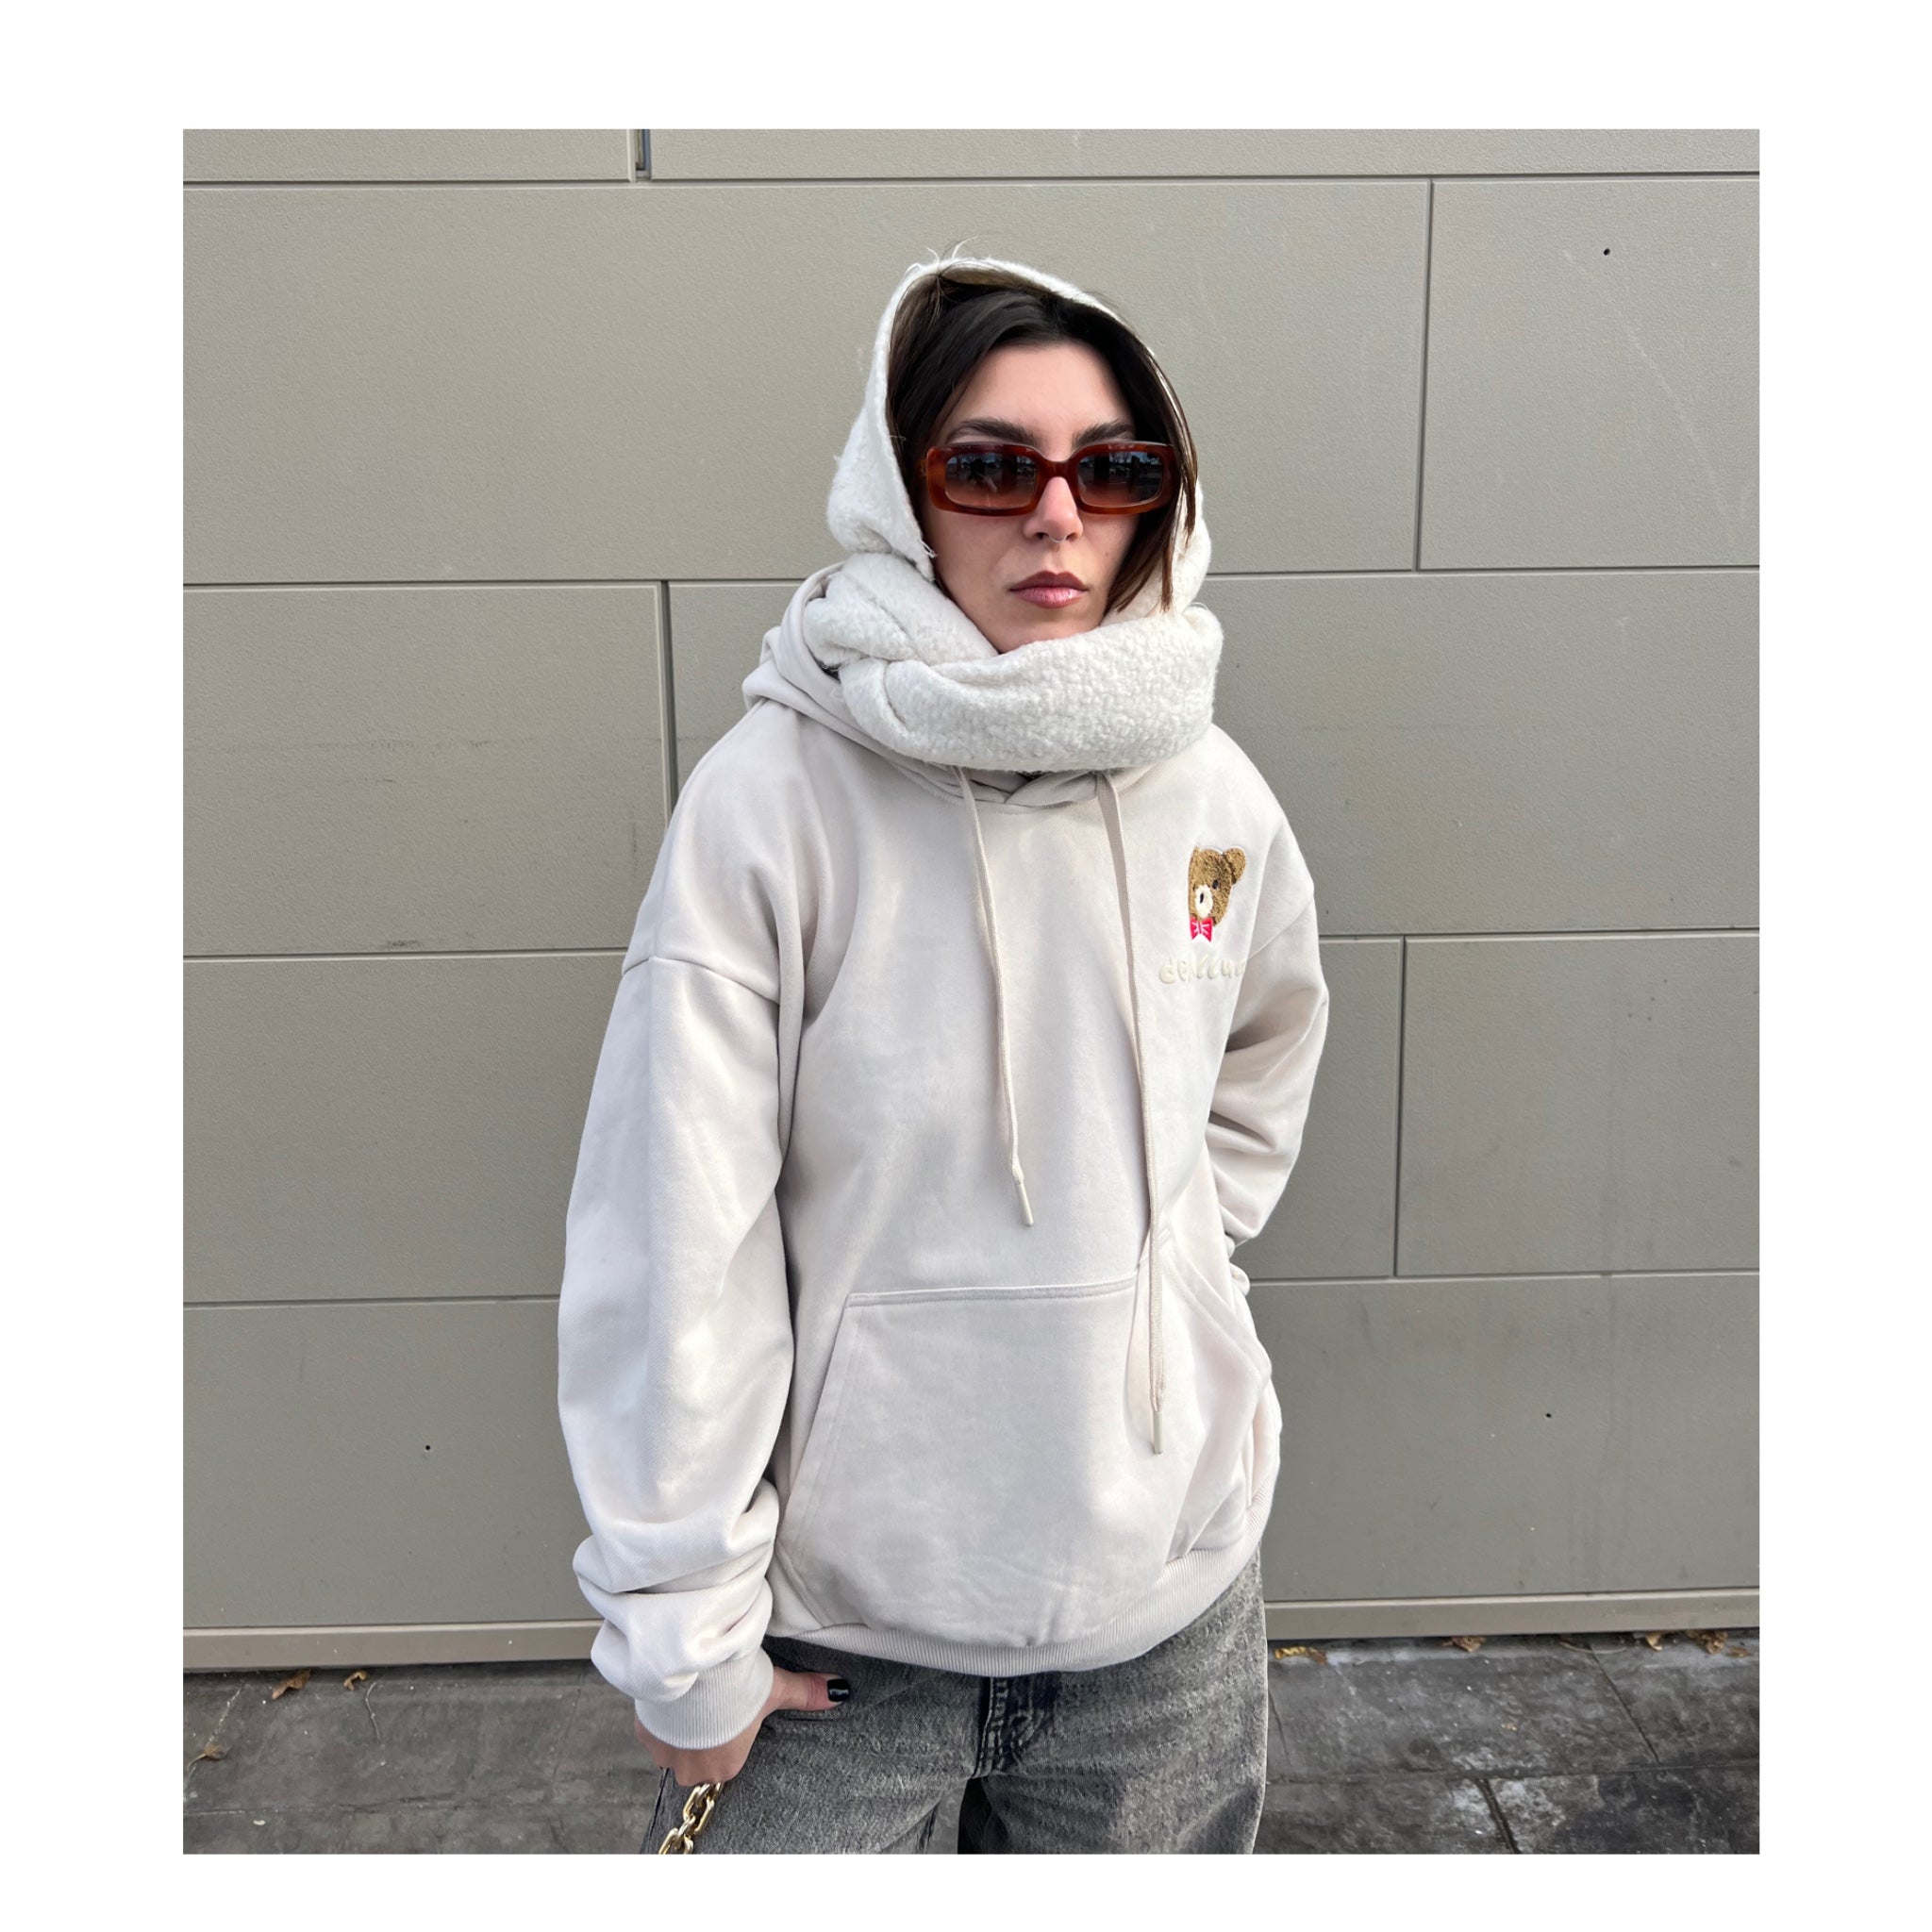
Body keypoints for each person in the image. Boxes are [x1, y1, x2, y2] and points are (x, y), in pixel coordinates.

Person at [555, 248, 1331, 1854]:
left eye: (1113, 470)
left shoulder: (1214, 795)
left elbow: (1258, 1068)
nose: (1056, 515)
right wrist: (686, 1642)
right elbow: (675, 1237)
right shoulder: (772, 804)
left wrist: (1171, 1284)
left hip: (1162, 1624)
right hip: (843, 1643)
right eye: (991, 467)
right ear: (900, 488)